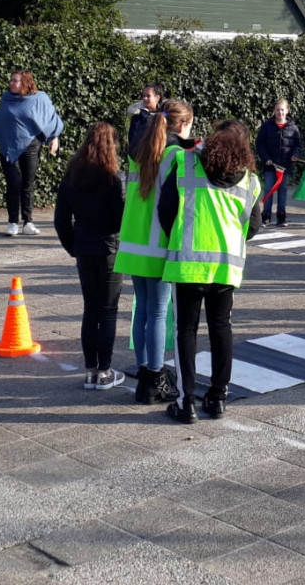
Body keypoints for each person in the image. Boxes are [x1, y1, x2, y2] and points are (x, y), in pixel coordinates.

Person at [157, 120, 262, 423]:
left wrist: (177, 235)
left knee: (185, 331)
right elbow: (253, 226)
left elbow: (165, 210)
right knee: (221, 329)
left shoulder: (186, 163)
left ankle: (185, 401)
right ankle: (217, 398)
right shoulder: (250, 181)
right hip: (225, 266)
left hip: (187, 262)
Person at [116, 99, 193, 405]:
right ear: (182, 125)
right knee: (159, 312)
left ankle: (143, 368)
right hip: (158, 244)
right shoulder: (176, 156)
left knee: (143, 309)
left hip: (133, 243)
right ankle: (156, 374)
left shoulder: (138, 154)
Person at [55, 123, 127, 390]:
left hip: (84, 248)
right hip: (109, 249)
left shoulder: (72, 175)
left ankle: (89, 370)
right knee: (107, 312)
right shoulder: (114, 177)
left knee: (90, 309)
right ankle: (105, 370)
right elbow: (121, 219)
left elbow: (61, 219)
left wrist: (72, 246)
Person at [0, 69, 64, 237]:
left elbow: (51, 117)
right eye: (11, 80)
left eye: (15, 80)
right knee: (13, 184)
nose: (11, 83)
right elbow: (0, 120)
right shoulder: (6, 98)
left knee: (27, 185)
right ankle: (12, 223)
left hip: (31, 146)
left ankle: (28, 222)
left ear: (25, 83)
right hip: (8, 146)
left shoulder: (40, 99)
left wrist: (54, 137)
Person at [255, 99, 303, 227]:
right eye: (277, 109)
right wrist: (266, 159)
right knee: (269, 190)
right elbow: (259, 144)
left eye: (282, 110)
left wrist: (295, 155)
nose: (280, 112)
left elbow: (298, 144)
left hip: (285, 166)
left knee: (282, 191)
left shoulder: (293, 128)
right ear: (274, 111)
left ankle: (281, 217)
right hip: (270, 166)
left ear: (287, 111)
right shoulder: (267, 126)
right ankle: (266, 216)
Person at [126, 83, 164, 159]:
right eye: (143, 96)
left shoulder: (165, 114)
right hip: (141, 157)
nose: (145, 98)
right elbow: (132, 138)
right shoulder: (138, 115)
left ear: (157, 98)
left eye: (148, 96)